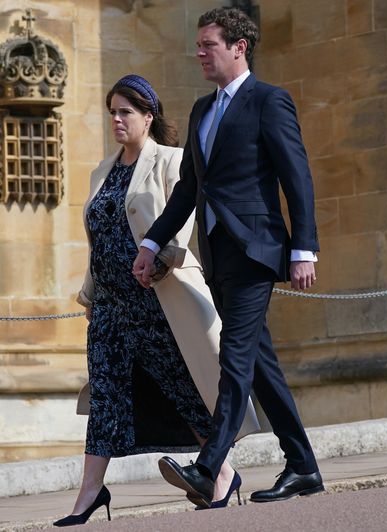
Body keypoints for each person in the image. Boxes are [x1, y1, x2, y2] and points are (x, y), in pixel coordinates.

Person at [133, 7, 324, 509]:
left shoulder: (269, 101)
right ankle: (303, 465)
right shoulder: (201, 109)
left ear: (239, 47)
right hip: (218, 255)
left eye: (207, 44)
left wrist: (304, 249)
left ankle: (209, 466)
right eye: (197, 44)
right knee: (259, 365)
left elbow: (296, 177)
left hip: (257, 250)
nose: (199, 52)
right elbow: (189, 189)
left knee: (235, 359)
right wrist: (152, 242)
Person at [53, 74, 260, 527]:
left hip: (155, 301)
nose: (117, 119)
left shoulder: (171, 160)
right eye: (112, 111)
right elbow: (98, 236)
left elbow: (180, 220)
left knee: (182, 389)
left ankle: (221, 472)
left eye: (126, 111)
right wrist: (88, 292)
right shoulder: (101, 171)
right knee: (106, 395)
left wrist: (162, 258)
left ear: (149, 116)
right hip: (109, 307)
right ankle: (89, 493)